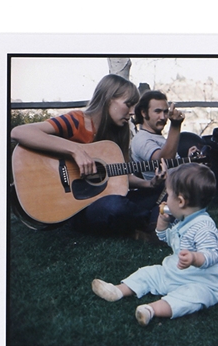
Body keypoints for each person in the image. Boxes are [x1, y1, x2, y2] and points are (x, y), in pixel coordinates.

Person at [11, 74, 166, 235]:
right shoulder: (77, 121)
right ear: (108, 99)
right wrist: (75, 151)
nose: (132, 112)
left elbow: (120, 175)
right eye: (128, 104)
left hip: (105, 198)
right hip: (78, 208)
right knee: (114, 206)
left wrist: (149, 184)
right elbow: (19, 132)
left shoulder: (120, 133)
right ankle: (155, 221)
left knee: (163, 188)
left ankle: (151, 219)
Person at [91, 162, 218, 326]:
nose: (166, 199)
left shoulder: (204, 226)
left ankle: (150, 310)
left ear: (180, 201)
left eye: (168, 195)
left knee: (192, 297)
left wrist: (195, 258)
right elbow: (166, 238)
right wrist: (162, 222)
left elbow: (213, 254)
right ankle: (118, 290)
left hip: (201, 282)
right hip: (173, 272)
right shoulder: (183, 220)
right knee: (148, 273)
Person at [130, 89, 218, 211]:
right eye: (157, 112)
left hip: (185, 180)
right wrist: (175, 125)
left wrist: (187, 159)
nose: (163, 117)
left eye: (165, 112)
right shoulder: (142, 139)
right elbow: (163, 161)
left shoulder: (156, 136)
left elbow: (171, 162)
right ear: (143, 113)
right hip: (173, 190)